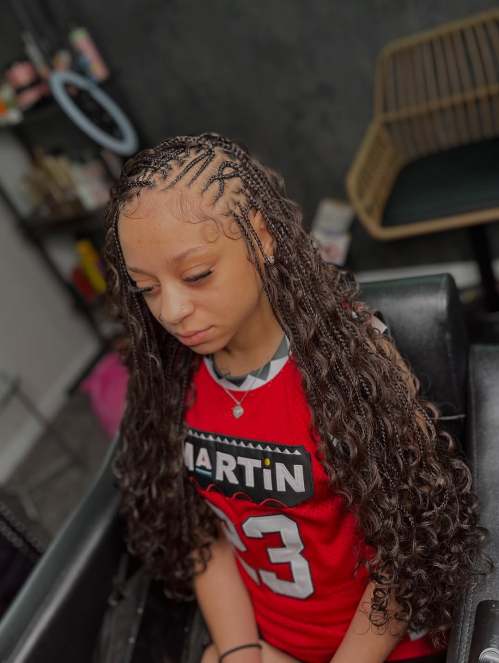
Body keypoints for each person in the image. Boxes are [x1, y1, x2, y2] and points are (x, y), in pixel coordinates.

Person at [103, 133, 491, 663]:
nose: (171, 310)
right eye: (147, 288)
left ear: (260, 237)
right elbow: (200, 531)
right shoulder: (170, 380)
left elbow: (409, 548)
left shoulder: (351, 364)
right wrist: (240, 650)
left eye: (197, 275)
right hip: (267, 643)